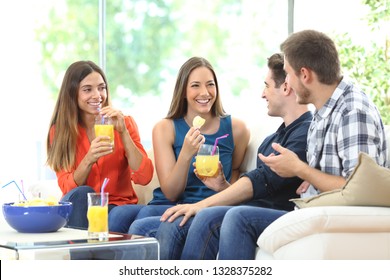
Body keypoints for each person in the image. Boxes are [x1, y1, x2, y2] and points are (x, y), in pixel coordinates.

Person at [215, 29, 388, 259]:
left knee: (238, 218)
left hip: (329, 218)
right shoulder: (323, 109)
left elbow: (361, 190)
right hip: (312, 211)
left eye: (287, 74)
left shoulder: (352, 111)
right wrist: (311, 176)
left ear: (304, 74)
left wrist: (299, 168)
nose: (286, 83)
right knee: (231, 215)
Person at [138, 52, 313, 259]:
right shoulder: (271, 139)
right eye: (195, 85)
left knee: (196, 220)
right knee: (142, 227)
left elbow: (262, 181)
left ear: (285, 87)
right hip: (247, 208)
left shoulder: (306, 133)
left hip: (271, 214)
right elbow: (257, 188)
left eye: (266, 85)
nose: (262, 94)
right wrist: (222, 186)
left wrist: (199, 205)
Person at [127, 56, 250, 236]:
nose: (205, 92)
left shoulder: (237, 130)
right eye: (195, 85)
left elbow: (236, 172)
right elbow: (171, 194)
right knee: (127, 216)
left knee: (141, 226)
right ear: (183, 91)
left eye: (210, 84)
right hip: (170, 203)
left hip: (207, 208)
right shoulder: (165, 128)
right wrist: (186, 154)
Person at [46, 60, 154, 233]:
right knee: (82, 194)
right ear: (72, 93)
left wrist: (124, 133)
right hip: (82, 210)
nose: (97, 95)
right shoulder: (60, 132)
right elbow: (68, 190)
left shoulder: (124, 123)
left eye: (101, 88)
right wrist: (89, 159)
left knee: (117, 216)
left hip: (120, 207)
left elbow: (145, 176)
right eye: (88, 89)